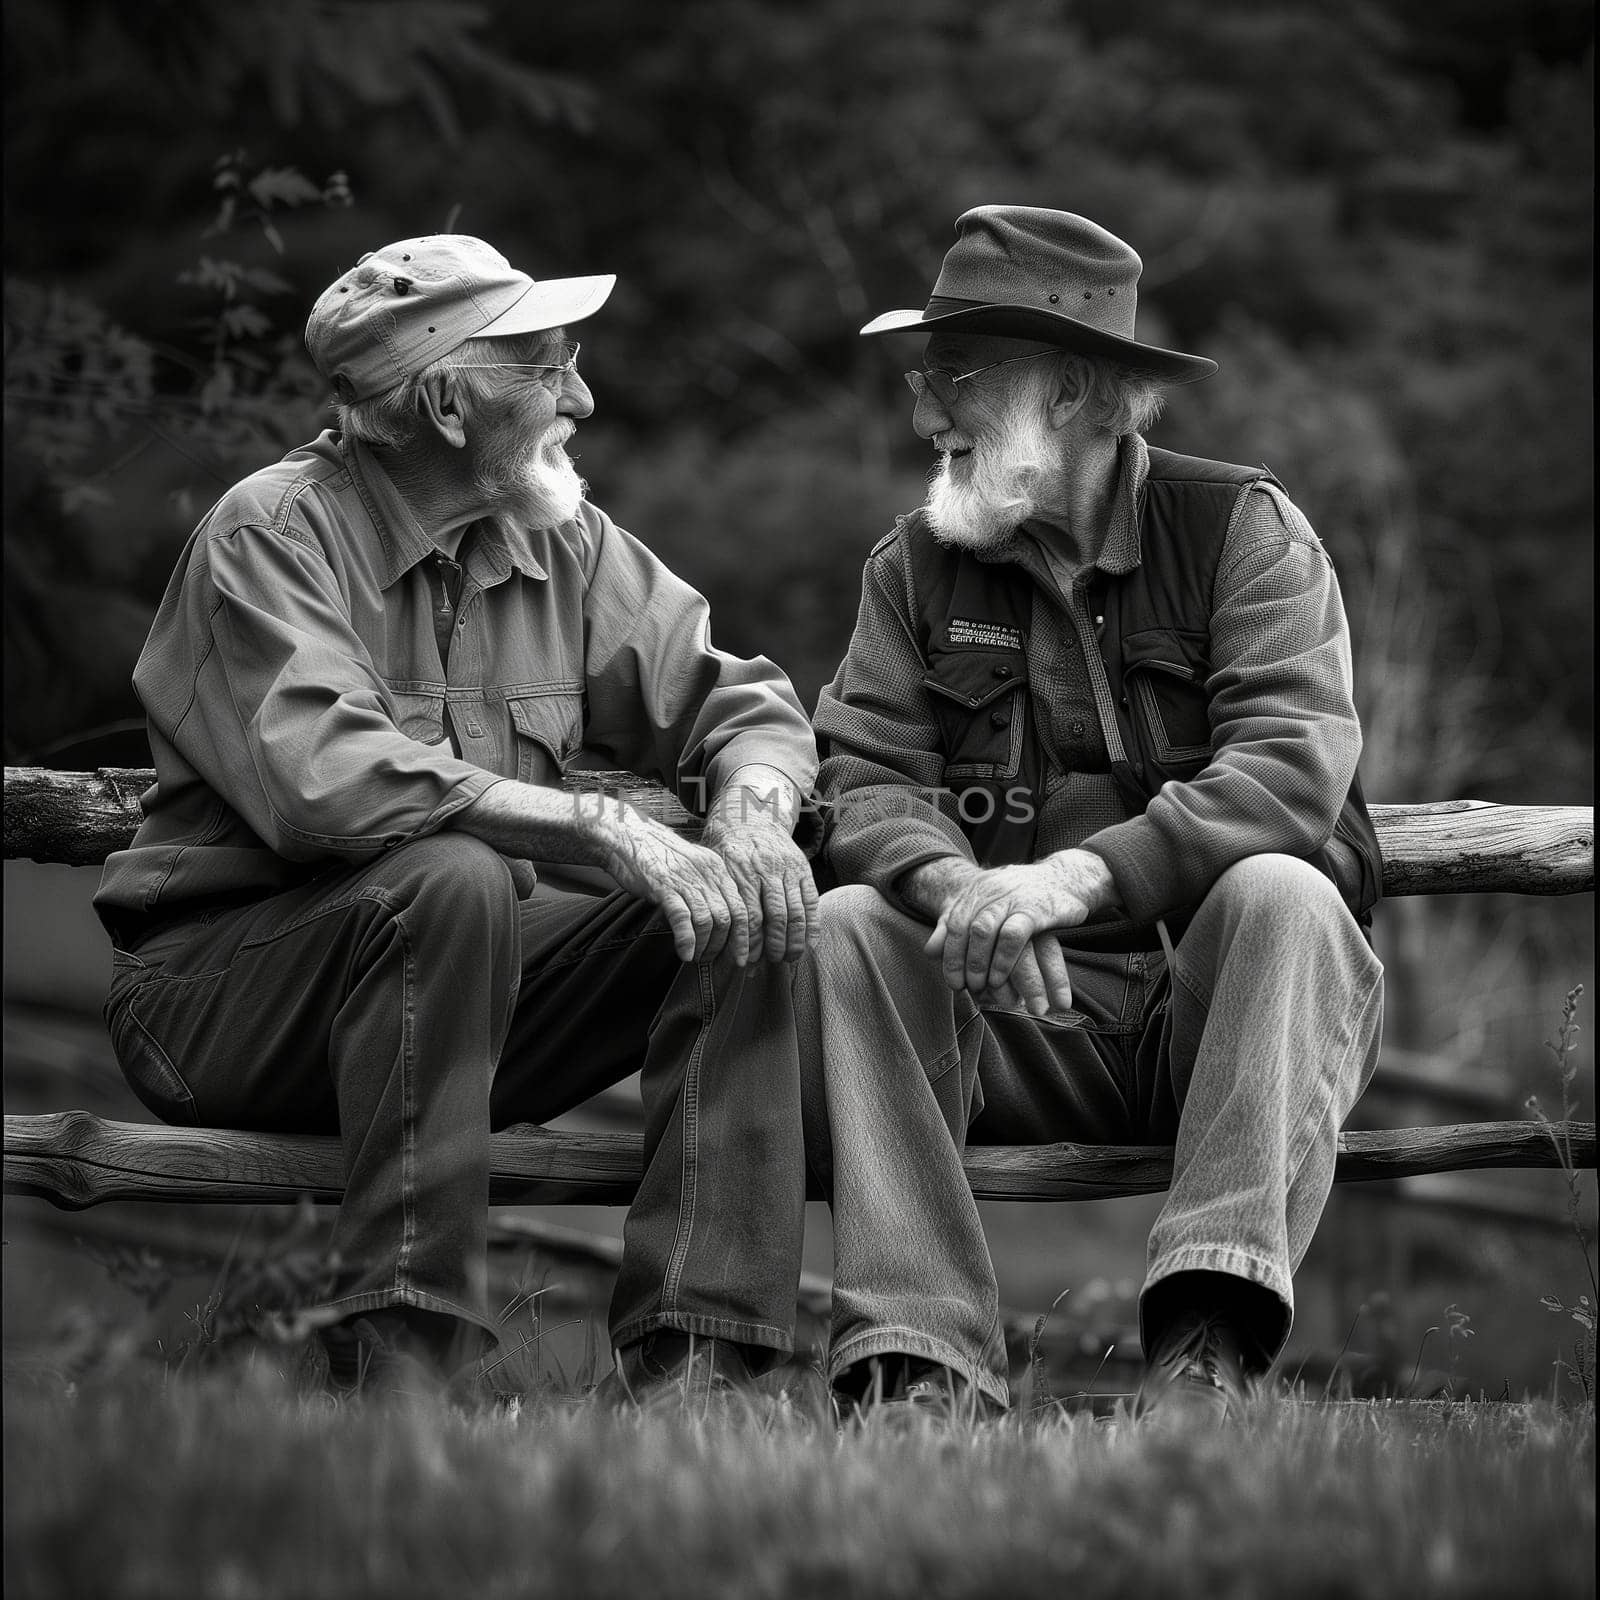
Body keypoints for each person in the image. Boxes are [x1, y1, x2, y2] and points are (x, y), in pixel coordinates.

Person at [93, 234, 821, 1403]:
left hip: (461, 1009)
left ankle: (702, 1367)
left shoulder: (556, 532)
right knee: (452, 877)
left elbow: (741, 698)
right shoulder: (269, 532)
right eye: (548, 367)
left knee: (752, 892)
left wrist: (750, 808)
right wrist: (596, 827)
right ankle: (402, 1374)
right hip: (219, 1007)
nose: (581, 395)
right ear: (444, 401)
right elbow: (325, 777)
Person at [799, 205, 1385, 1422]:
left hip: (1216, 1032)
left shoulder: (1241, 530)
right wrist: (956, 890)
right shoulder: (910, 566)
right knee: (854, 921)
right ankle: (919, 1365)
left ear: (1069, 392)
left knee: (1286, 890)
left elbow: (1290, 763)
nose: (923, 414)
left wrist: (1071, 881)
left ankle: (1203, 1351)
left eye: (954, 376)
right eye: (924, 377)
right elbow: (862, 772)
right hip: (1007, 1023)